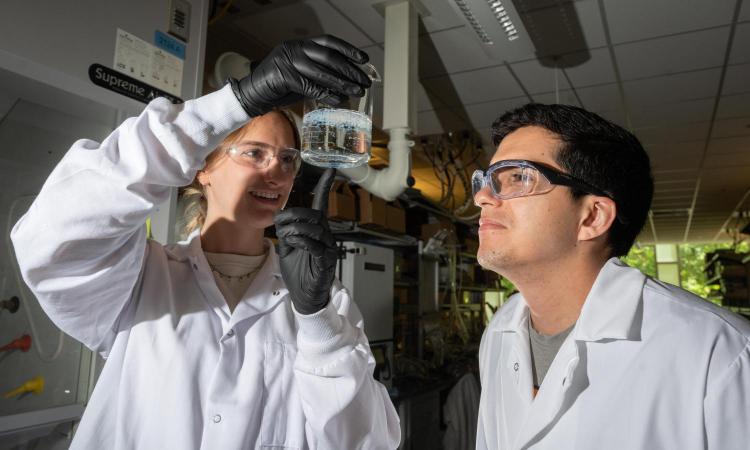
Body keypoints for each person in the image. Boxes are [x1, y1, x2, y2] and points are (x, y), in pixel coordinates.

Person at [11, 35, 400, 449]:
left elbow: (369, 442)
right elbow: (52, 236)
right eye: (254, 153)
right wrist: (235, 103)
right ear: (202, 169)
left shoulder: (325, 302)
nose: (277, 174)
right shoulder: (139, 278)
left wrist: (317, 321)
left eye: (288, 159)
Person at [473, 103, 750, 449]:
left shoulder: (722, 353)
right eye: (487, 181)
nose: (483, 197)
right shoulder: (500, 330)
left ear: (592, 217)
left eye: (518, 177)